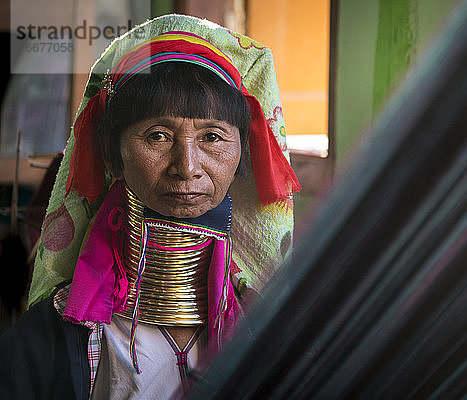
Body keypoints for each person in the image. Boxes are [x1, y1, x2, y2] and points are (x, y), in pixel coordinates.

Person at [0, 14, 300, 399]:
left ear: (242, 154)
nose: (187, 166)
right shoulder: (49, 342)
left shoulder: (265, 334)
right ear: (112, 155)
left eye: (212, 136)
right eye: (158, 135)